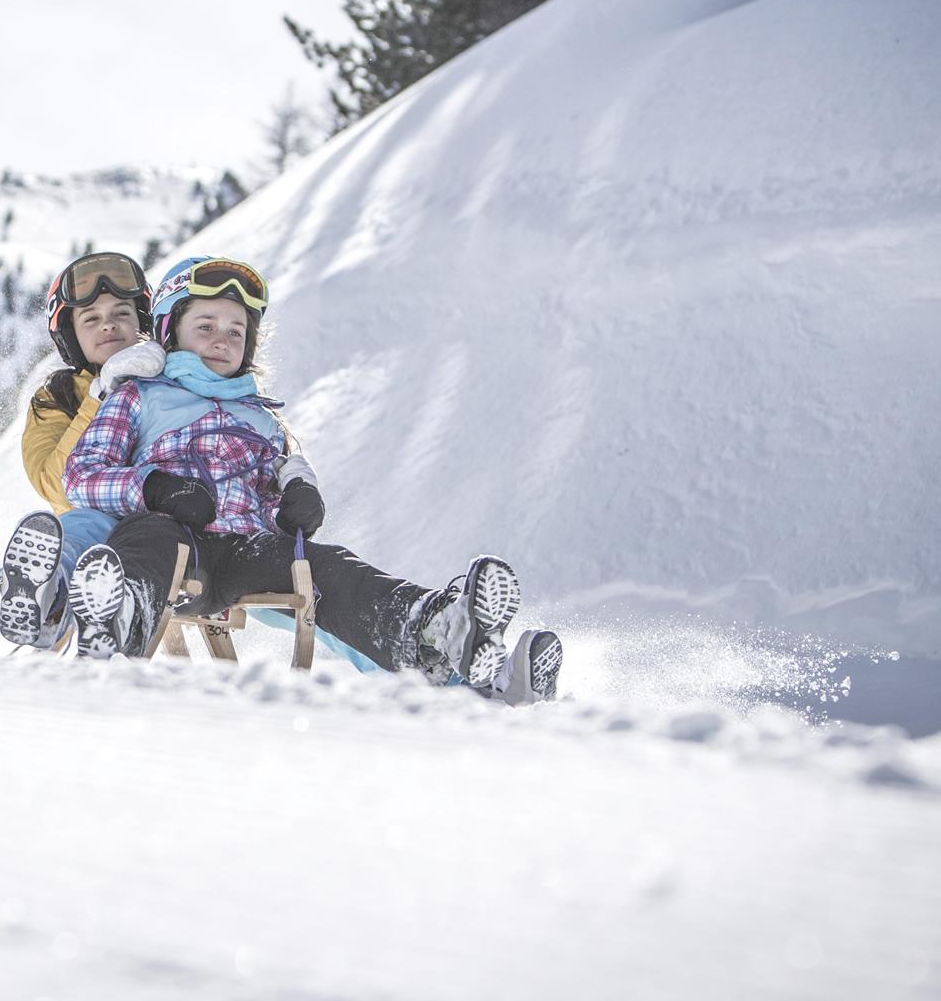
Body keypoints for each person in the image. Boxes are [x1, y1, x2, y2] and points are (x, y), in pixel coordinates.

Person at [59, 255, 563, 703]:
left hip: (243, 549)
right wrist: (154, 489)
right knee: (149, 540)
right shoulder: (139, 396)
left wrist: (298, 495)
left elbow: (283, 473)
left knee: (328, 568)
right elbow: (81, 475)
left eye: (236, 331)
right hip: (171, 542)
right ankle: (116, 618)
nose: (221, 339)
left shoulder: (261, 418)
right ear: (170, 331)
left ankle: (440, 629)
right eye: (206, 325)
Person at [0, 251, 164, 650]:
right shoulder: (56, 398)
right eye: (90, 318)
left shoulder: (176, 378)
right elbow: (55, 485)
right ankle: (43, 597)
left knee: (132, 537)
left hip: (165, 521)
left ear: (143, 321)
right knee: (79, 527)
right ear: (71, 334)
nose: (109, 324)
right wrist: (99, 394)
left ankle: (80, 611)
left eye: (122, 313)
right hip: (95, 521)